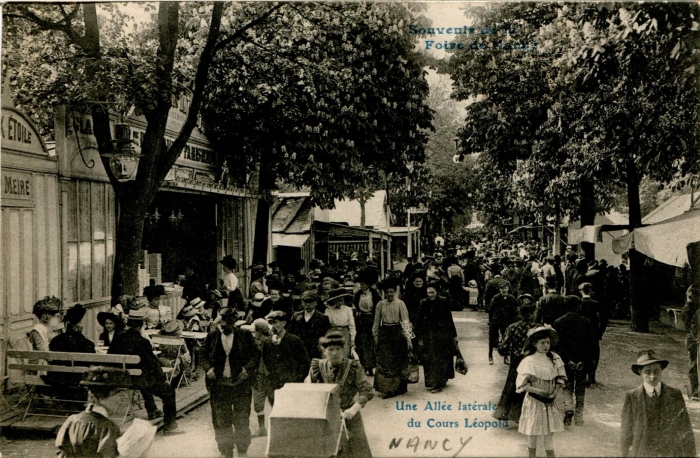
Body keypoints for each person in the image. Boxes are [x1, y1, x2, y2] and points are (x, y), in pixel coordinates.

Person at [108, 308, 182, 435]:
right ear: (141, 325)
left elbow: (110, 357)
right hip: (138, 380)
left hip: (122, 379)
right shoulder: (143, 342)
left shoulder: (117, 339)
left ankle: (152, 410)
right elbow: (153, 364)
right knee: (167, 390)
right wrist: (162, 378)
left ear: (129, 324)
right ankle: (170, 426)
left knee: (144, 377)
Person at [201, 306, 259, 457]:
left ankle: (242, 448)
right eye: (221, 324)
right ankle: (226, 450)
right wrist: (208, 369)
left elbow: (255, 355)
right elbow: (202, 354)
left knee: (241, 418)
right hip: (219, 385)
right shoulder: (212, 336)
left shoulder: (245, 335)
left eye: (227, 324)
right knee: (221, 419)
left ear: (234, 323)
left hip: (241, 384)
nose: (223, 327)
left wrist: (247, 370)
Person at [306, 331, 374, 457]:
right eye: (330, 349)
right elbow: (311, 391)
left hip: (350, 412)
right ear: (324, 351)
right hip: (327, 414)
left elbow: (367, 389)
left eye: (338, 349)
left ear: (344, 350)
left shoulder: (353, 367)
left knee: (358, 447)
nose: (335, 353)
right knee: (330, 448)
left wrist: (355, 408)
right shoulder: (317, 366)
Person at [621, 350, 695, 457]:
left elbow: (686, 429)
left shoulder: (674, 395)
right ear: (640, 373)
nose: (652, 376)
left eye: (656, 371)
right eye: (647, 372)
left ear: (661, 370)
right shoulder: (632, 397)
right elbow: (626, 433)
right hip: (642, 452)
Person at [55, 367, 131, 458]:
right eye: (119, 393)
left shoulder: (72, 421)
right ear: (103, 395)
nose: (121, 399)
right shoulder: (107, 428)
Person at [516, 326, 567, 458]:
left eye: (548, 343)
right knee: (533, 430)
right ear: (534, 344)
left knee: (549, 432)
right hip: (534, 400)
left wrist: (554, 393)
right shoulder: (529, 361)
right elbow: (522, 385)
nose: (546, 346)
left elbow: (561, 379)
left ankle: (550, 455)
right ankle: (531, 455)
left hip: (550, 401)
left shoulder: (554, 358)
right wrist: (538, 391)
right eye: (542, 343)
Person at [553, 295, 597, 426]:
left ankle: (568, 409)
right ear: (578, 306)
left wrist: (567, 360)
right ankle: (579, 417)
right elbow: (591, 345)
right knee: (580, 389)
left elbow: (557, 346)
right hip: (582, 362)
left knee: (567, 387)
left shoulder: (558, 322)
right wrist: (584, 361)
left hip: (565, 362)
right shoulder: (586, 322)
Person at [493, 302, 538, 423]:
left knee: (512, 385)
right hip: (533, 361)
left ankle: (505, 412)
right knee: (531, 387)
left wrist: (506, 352)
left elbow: (503, 347)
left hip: (516, 360)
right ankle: (526, 416)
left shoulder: (512, 327)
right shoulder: (537, 329)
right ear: (533, 313)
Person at [372, 277, 413, 399]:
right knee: (386, 362)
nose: (389, 294)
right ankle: (387, 388)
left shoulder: (400, 303)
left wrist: (409, 339)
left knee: (398, 361)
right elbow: (376, 322)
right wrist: (376, 337)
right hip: (385, 333)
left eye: (392, 292)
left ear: (395, 292)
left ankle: (399, 388)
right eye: (387, 292)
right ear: (384, 293)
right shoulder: (380, 304)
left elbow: (405, 322)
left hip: (397, 333)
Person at [47, 304, 97, 400]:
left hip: (57, 378)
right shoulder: (86, 343)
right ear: (77, 326)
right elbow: (92, 361)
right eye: (81, 322)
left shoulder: (56, 340)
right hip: (78, 378)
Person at [415, 282, 458, 393]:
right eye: (428, 292)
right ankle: (433, 382)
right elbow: (419, 320)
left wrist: (454, 335)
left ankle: (439, 383)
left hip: (443, 334)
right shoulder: (423, 302)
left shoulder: (443, 301)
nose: (430, 295)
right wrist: (419, 336)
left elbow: (449, 319)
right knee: (430, 359)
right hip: (429, 335)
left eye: (432, 292)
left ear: (437, 292)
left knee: (442, 358)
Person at [262, 311, 310, 404]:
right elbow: (267, 362)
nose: (272, 326)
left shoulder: (294, 340)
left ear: (283, 323)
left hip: (292, 384)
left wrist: (296, 380)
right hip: (274, 385)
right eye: (269, 323)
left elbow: (304, 363)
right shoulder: (267, 342)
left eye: (274, 322)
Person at [241, 318, 273, 437]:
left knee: (274, 401)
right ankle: (262, 428)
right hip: (258, 376)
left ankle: (276, 428)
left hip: (270, 376)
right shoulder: (254, 343)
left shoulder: (271, 343)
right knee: (258, 403)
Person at [287, 290, 332, 360]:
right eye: (305, 302)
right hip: (298, 350)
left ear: (316, 302)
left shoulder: (323, 318)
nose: (308, 304)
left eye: (311, 301)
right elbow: (290, 332)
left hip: (315, 351)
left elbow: (327, 336)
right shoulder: (296, 316)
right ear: (302, 302)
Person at [353, 273, 382, 376]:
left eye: (364, 284)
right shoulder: (357, 295)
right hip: (361, 320)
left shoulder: (374, 294)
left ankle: (372, 366)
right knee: (363, 343)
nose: (361, 286)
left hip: (372, 319)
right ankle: (365, 365)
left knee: (372, 343)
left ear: (368, 285)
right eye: (360, 284)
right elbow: (355, 306)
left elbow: (378, 306)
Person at [487, 283, 518, 365]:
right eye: (502, 288)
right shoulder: (496, 298)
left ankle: (506, 357)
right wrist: (490, 321)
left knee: (506, 339)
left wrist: (513, 322)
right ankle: (490, 356)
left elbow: (515, 311)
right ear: (499, 289)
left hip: (506, 321)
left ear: (508, 289)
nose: (504, 290)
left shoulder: (512, 298)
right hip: (496, 320)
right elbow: (491, 310)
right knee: (492, 338)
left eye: (505, 288)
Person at [158, 318, 192, 390]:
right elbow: (186, 353)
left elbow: (160, 350)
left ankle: (167, 379)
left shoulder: (162, 339)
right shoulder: (180, 340)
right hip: (176, 360)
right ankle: (173, 380)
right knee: (180, 360)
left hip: (165, 359)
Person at [579, 282, 602, 385]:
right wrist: (600, 332)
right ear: (590, 291)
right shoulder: (596, 303)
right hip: (594, 333)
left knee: (583, 352)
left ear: (581, 291)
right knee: (594, 354)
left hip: (582, 333)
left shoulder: (579, 303)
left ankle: (583, 375)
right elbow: (604, 319)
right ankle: (592, 376)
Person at [324, 288, 357, 356]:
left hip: (344, 333)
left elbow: (352, 325)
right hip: (332, 332)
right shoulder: (328, 310)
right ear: (334, 301)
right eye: (337, 301)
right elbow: (326, 324)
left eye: (341, 300)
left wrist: (352, 339)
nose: (339, 303)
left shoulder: (347, 310)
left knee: (344, 352)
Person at [681, 285, 700, 399]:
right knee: (693, 365)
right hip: (693, 338)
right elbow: (690, 327)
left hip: (693, 337)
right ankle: (692, 392)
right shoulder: (688, 308)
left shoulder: (691, 306)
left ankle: (693, 390)